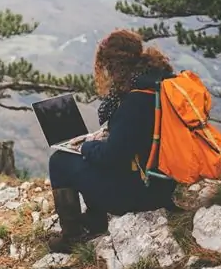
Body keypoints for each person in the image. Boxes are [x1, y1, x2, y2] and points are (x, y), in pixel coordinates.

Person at [47, 29, 179, 252]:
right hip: (163, 182)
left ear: (113, 66)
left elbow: (112, 157)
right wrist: (104, 139)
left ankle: (72, 237)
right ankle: (94, 219)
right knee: (90, 154)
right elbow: (136, 137)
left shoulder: (135, 101)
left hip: (142, 194)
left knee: (59, 161)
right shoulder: (157, 83)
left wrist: (87, 146)